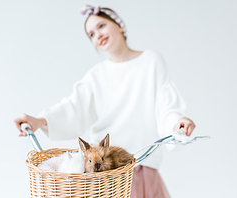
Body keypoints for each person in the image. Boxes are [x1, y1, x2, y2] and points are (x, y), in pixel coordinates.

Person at [14, 5, 196, 198]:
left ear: (119, 25)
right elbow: (74, 108)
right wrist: (40, 121)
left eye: (101, 26)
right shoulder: (96, 75)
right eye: (91, 34)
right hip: (103, 177)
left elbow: (165, 104)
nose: (97, 35)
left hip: (141, 168)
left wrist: (177, 123)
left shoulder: (151, 62)